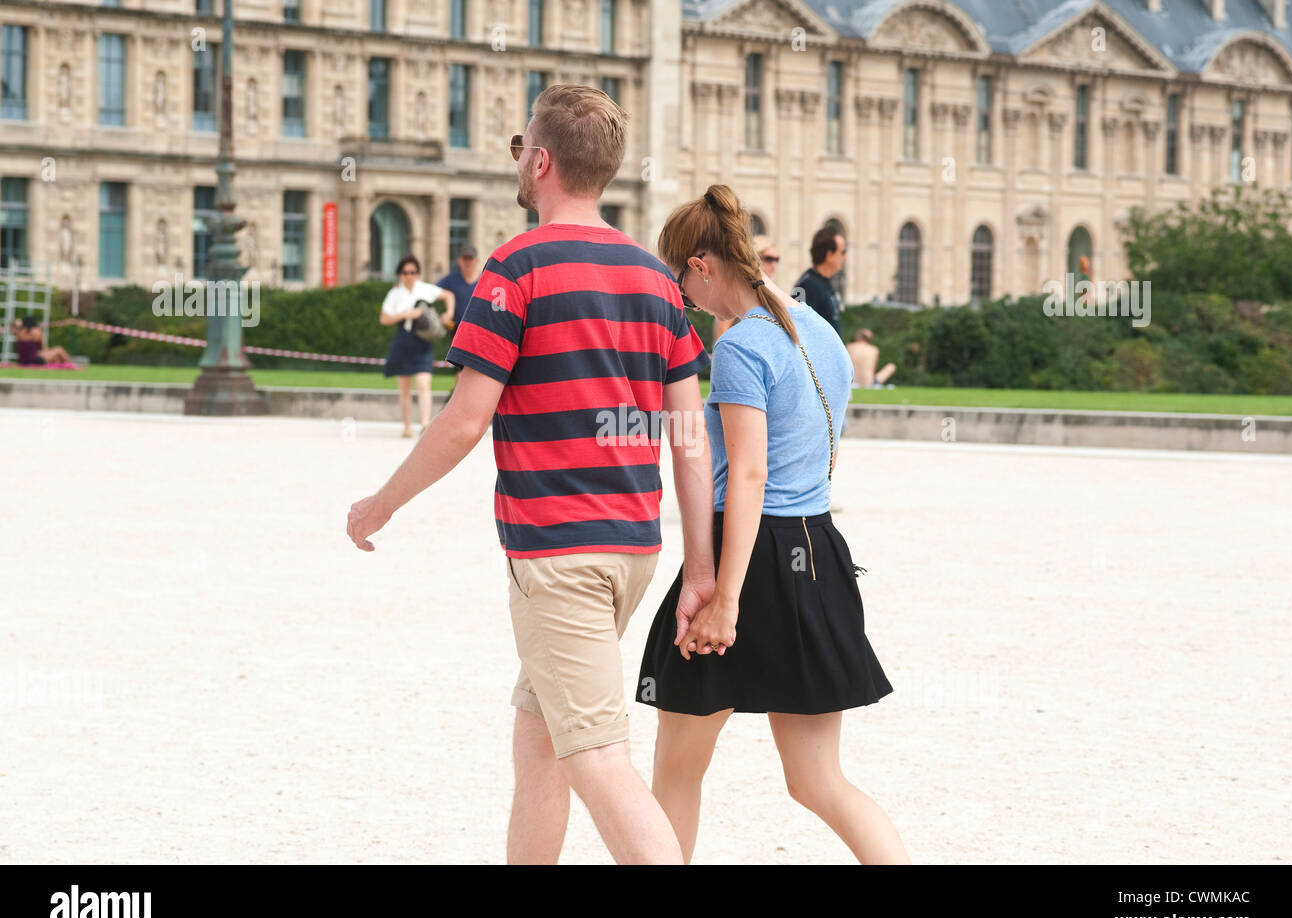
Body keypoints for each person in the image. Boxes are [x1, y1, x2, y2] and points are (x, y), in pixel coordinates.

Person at [345, 84, 716, 865]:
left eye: (519, 147)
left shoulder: (514, 268)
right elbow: (689, 436)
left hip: (558, 555)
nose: (517, 160)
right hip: (631, 551)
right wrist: (702, 569)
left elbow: (464, 420)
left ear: (540, 161)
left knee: (596, 758)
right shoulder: (656, 281)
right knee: (539, 740)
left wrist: (381, 503)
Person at [639, 183, 909, 865]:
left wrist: (726, 596)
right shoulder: (823, 334)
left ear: (701, 263)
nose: (682, 295)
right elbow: (828, 453)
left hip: (748, 554)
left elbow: (750, 475)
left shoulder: (740, 349)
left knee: (675, 770)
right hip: (817, 551)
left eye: (680, 276)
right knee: (820, 780)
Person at [379, 255, 455, 438]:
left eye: (413, 272)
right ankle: (406, 426)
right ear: (400, 274)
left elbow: (448, 295)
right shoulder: (394, 294)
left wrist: (448, 314)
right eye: (405, 272)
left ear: (418, 273)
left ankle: (425, 423)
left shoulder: (425, 289)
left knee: (423, 383)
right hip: (403, 339)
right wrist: (406, 315)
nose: (409, 276)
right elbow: (384, 318)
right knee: (404, 387)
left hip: (422, 340)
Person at [714, 234, 779, 344]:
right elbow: (722, 331)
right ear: (755, 259)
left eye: (776, 260)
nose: (773, 265)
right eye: (769, 259)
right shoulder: (738, 289)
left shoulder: (770, 291)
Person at [794, 225, 847, 337]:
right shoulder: (807, 285)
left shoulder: (824, 281)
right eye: (842, 252)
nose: (845, 257)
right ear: (829, 255)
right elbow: (798, 327)